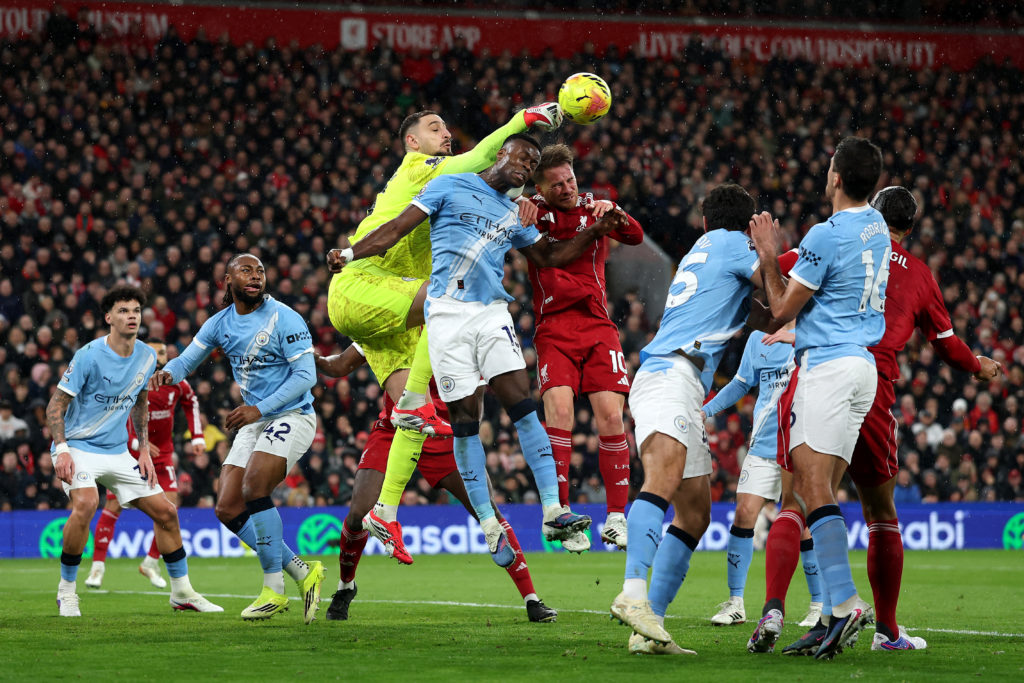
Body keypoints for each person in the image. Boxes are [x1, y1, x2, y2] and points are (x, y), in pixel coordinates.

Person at [328, 133, 625, 564]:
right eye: (522, 156)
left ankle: (553, 510)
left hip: (491, 315)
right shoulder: (449, 186)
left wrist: (597, 228)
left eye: (532, 161)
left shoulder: (516, 211)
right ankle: (487, 523)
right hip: (446, 316)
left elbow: (551, 257)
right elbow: (395, 229)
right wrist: (351, 253)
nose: (526, 165)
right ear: (500, 153)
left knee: (523, 405)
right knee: (467, 420)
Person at [782, 186, 1002, 654]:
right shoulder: (920, 275)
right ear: (911, 227)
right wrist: (977, 365)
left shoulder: (840, 238)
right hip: (873, 385)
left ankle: (829, 613)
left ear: (873, 213)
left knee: (811, 494)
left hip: (823, 370)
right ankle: (885, 630)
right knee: (880, 513)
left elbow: (788, 270)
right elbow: (946, 343)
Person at [609, 183, 766, 656]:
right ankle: (633, 595)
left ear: (703, 221)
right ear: (746, 226)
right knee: (662, 477)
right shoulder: (737, 245)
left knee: (695, 512)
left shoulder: (703, 245)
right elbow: (778, 295)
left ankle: (648, 629)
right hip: (671, 373)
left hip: (680, 379)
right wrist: (774, 250)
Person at [749, 136, 889, 660]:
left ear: (833, 177)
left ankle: (847, 601)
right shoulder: (876, 226)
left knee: (809, 487)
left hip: (827, 367)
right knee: (819, 489)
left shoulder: (825, 235)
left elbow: (782, 308)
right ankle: (830, 614)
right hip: (862, 368)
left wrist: (768, 254)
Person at [315, 345, 557, 623]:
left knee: (488, 512)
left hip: (443, 436)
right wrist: (314, 357)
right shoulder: (392, 317)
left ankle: (531, 599)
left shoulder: (459, 329)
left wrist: (464, 439)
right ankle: (346, 587)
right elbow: (340, 365)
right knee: (358, 513)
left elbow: (474, 402)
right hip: (396, 429)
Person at [152, 254, 325, 623]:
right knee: (227, 507)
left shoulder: (285, 318)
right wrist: (165, 374)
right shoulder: (220, 323)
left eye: (260, 270)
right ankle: (302, 572)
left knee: (255, 487)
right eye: (246, 270)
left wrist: (258, 409)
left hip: (293, 415)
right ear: (226, 280)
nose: (255, 276)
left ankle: (273, 590)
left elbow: (305, 376)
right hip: (255, 420)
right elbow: (186, 360)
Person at [47, 285, 221, 617]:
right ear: (109, 317)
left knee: (167, 513)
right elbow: (55, 407)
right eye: (124, 311)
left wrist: (142, 449)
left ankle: (182, 593)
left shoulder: (145, 355)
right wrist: (63, 449)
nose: (132, 316)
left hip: (118, 452)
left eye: (136, 311)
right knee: (87, 503)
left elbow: (139, 401)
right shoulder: (88, 355)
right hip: (78, 446)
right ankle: (67, 590)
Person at [525, 144, 644, 553]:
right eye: (556, 184)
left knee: (611, 414)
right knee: (559, 410)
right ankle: (560, 513)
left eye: (570, 180)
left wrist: (617, 214)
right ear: (539, 186)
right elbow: (550, 260)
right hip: (554, 326)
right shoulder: (532, 213)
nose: (566, 189)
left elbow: (634, 235)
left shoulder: (594, 206)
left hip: (597, 324)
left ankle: (615, 517)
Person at [699, 322, 824, 629]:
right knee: (744, 513)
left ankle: (818, 604)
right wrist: (707, 410)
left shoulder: (816, 330)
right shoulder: (758, 339)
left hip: (800, 443)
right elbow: (741, 384)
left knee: (802, 524)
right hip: (764, 444)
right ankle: (736, 603)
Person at [85, 341, 206, 590]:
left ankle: (151, 562)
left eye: (163, 351)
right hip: (128, 454)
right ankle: (97, 567)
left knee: (169, 509)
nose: (159, 356)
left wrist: (197, 436)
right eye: (155, 351)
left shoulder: (175, 381)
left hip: (162, 456)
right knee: (113, 505)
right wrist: (135, 441)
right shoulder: (131, 379)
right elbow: (113, 412)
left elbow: (191, 401)